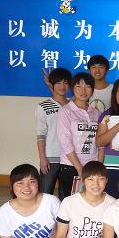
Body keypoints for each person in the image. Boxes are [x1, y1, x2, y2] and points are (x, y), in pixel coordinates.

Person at [57, 72, 101, 198]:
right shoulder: (65, 111)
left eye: (87, 86)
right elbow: (65, 141)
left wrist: (99, 165)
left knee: (92, 200)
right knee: (71, 202)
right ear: (72, 88)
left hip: (92, 167)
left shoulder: (97, 113)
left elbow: (100, 142)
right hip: (71, 167)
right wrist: (80, 168)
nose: (83, 90)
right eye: (79, 86)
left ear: (92, 90)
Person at [35, 67, 71, 198]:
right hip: (50, 159)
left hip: (70, 159)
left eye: (66, 83)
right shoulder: (43, 106)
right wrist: (42, 158)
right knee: (45, 195)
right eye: (58, 83)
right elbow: (41, 134)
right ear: (52, 85)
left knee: (67, 197)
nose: (62, 86)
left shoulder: (73, 106)